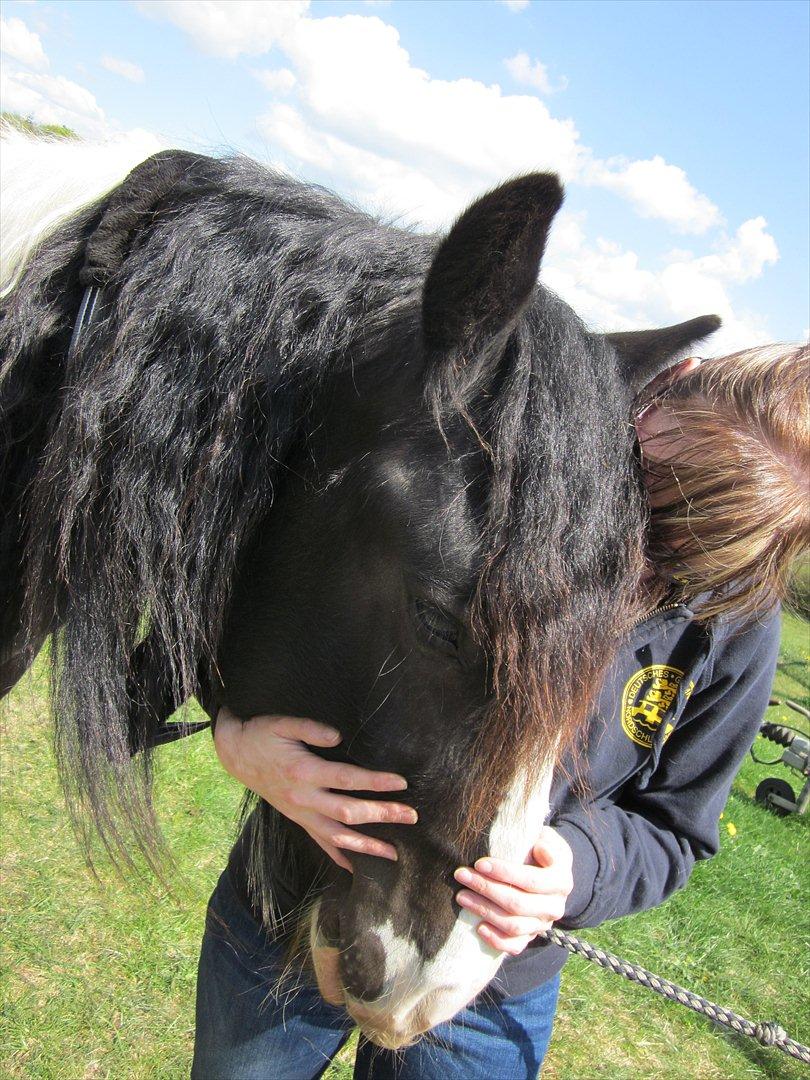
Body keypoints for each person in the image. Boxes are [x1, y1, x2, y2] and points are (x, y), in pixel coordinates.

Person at [193, 343, 809, 1079]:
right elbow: (260, 598)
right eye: (639, 491)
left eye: (676, 557)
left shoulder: (736, 621)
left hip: (487, 982)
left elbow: (675, 826)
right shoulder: (477, 477)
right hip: (288, 904)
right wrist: (233, 729)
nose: (632, 562)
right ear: (660, 389)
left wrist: (578, 869)